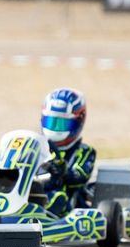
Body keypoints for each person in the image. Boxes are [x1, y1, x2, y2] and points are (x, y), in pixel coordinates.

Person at [38, 88, 96, 218]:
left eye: (62, 123)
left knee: (58, 196)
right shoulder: (37, 146)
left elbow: (80, 177)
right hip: (34, 190)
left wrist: (62, 170)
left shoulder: (84, 151)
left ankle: (44, 218)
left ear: (78, 122)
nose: (56, 128)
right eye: (52, 122)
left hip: (66, 202)